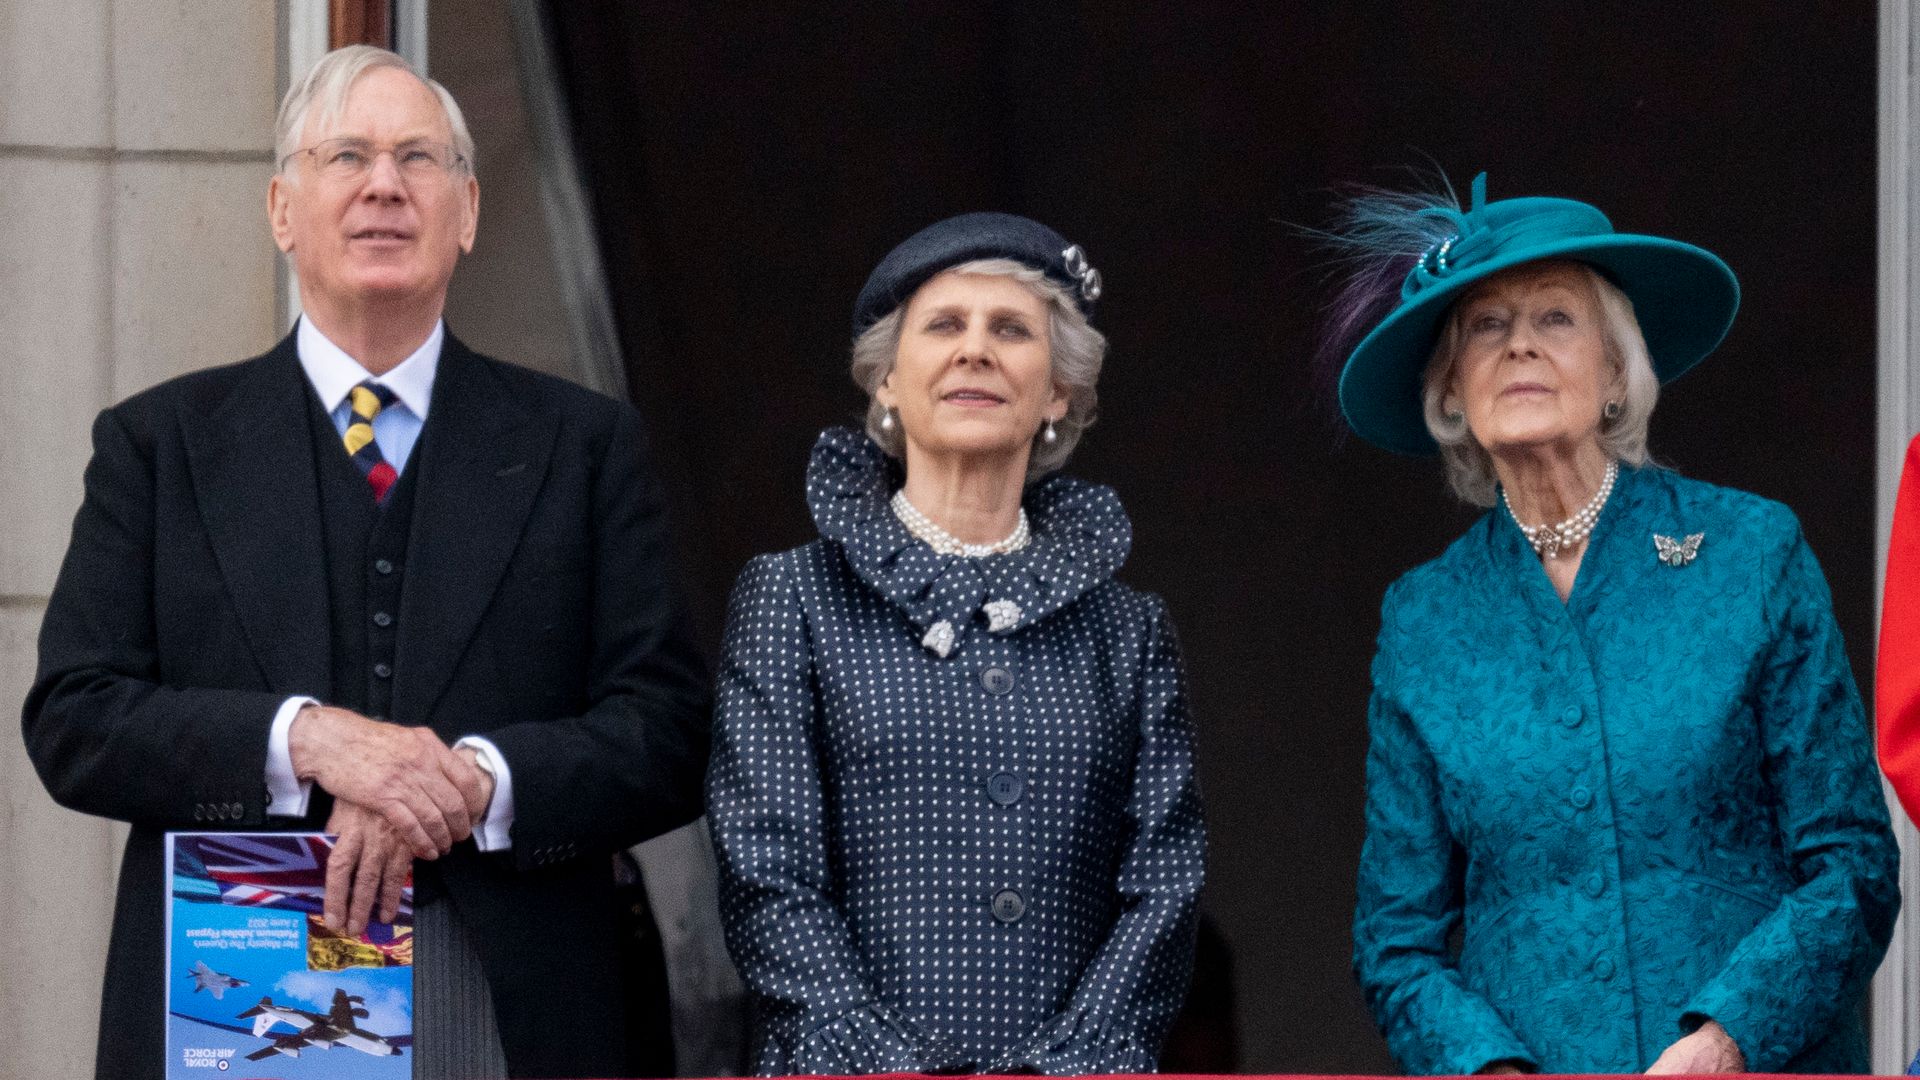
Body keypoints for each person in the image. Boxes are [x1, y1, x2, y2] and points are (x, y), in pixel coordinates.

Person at [21, 46, 709, 1079]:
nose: (384, 184)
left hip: (507, 992)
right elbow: (75, 717)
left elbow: (664, 727)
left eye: (418, 158)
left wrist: (478, 782)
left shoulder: (585, 445)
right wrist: (307, 742)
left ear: (468, 213)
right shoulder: (160, 445)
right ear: (282, 210)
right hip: (238, 990)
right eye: (346, 155)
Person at [1327, 173, 1900, 1074]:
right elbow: (1397, 942)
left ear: (1614, 374)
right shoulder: (1424, 617)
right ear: (1451, 392)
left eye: (1555, 317)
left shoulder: (1750, 551)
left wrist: (1727, 1041)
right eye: (1486, 324)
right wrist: (1488, 1069)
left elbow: (1852, 864)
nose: (1519, 344)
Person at [706, 212, 1205, 1075]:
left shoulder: (1128, 630)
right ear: (888, 385)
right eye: (944, 325)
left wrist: (1068, 1066)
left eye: (1010, 329)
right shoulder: (793, 598)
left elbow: (1165, 881)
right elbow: (766, 874)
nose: (975, 350)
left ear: (1058, 392)